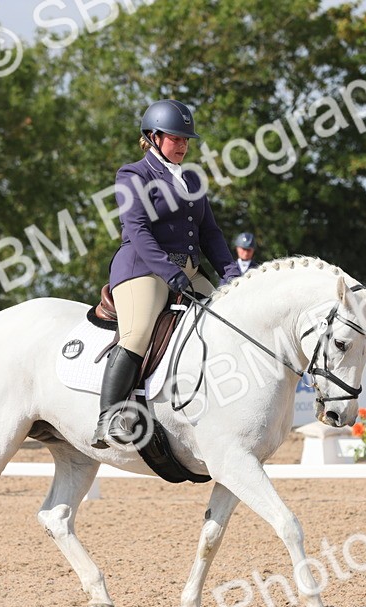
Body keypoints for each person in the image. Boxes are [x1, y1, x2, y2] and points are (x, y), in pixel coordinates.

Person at [93, 99, 240, 449]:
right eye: (176, 138)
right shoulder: (133, 175)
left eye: (187, 139)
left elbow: (210, 234)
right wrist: (167, 270)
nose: (183, 145)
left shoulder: (191, 178)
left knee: (230, 320)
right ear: (153, 137)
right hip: (142, 268)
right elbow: (138, 228)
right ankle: (108, 418)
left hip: (187, 270)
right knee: (139, 332)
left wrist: (233, 275)